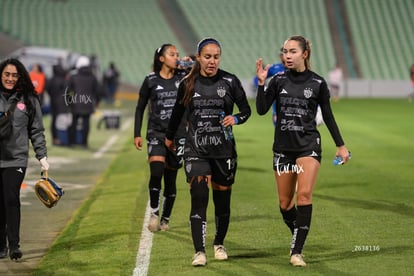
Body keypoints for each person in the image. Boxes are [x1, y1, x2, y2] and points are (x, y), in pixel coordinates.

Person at [255, 35, 350, 267]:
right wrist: (261, 84)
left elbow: (327, 116)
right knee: (285, 204)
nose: (287, 55)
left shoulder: (318, 83)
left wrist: (340, 145)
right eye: (285, 51)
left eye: (292, 51)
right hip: (283, 149)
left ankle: (296, 251)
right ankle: (300, 233)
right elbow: (261, 109)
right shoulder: (277, 80)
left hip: (308, 146)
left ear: (304, 54)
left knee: (304, 194)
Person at [165, 38, 251, 266]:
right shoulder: (188, 83)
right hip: (196, 149)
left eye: (216, 57)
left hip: (224, 151)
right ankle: (199, 251)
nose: (212, 61)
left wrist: (236, 118)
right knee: (199, 196)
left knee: (222, 202)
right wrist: (169, 138)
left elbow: (246, 111)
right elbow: (177, 113)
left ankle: (219, 243)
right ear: (199, 58)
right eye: (207, 57)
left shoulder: (230, 81)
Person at [134, 44, 190, 232]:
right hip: (156, 133)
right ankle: (155, 213)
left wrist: (192, 64)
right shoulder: (150, 80)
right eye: (172, 54)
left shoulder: (183, 78)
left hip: (178, 135)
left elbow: (202, 75)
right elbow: (140, 107)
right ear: (161, 59)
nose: (176, 57)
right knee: (156, 172)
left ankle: (166, 218)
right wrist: (137, 133)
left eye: (177, 54)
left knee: (171, 179)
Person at [0, 58, 49, 261]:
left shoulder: (28, 99)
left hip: (15, 159)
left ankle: (14, 245)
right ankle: (1, 245)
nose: (10, 78)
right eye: (6, 74)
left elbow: (36, 130)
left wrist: (42, 155)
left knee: (11, 198)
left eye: (14, 75)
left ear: (20, 76)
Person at [67, 56, 99, 147]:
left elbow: (68, 91)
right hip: (88, 103)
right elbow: (97, 91)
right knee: (86, 123)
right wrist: (96, 102)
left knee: (74, 123)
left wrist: (69, 102)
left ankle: (72, 142)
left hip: (76, 103)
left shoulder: (74, 76)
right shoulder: (92, 77)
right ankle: (84, 143)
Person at [46, 64, 70, 145]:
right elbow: (69, 91)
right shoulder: (64, 80)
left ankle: (55, 138)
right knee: (63, 122)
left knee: (54, 121)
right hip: (63, 103)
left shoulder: (51, 79)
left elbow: (47, 89)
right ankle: (62, 139)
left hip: (53, 102)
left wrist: (53, 96)